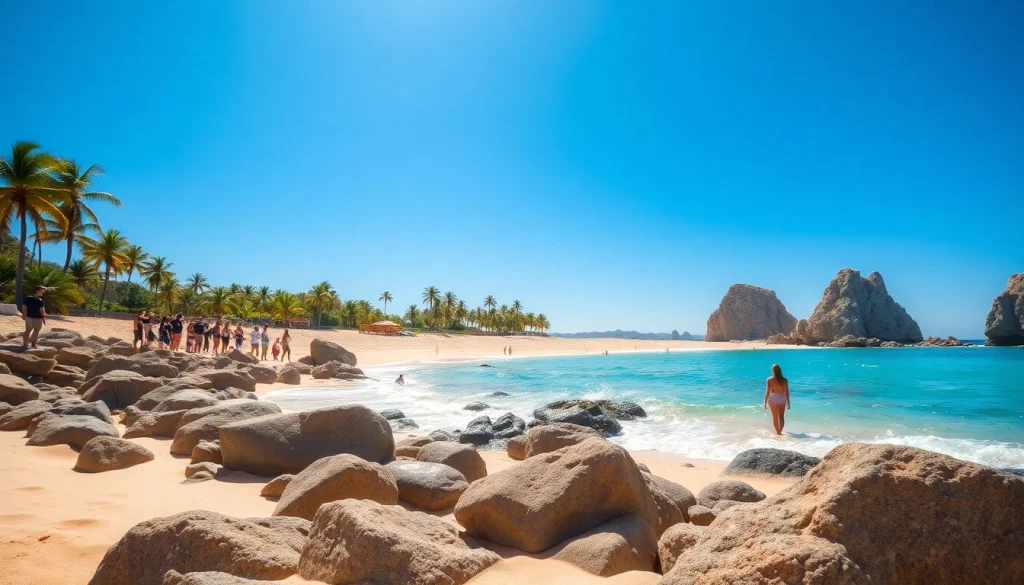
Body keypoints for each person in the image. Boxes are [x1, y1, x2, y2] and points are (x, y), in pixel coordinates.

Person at [763, 364, 791, 435]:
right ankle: (780, 432)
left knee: (775, 417)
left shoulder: (769, 379)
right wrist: (788, 403)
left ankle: (778, 432)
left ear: (772, 371)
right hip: (782, 397)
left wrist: (765, 402)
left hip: (773, 398)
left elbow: (768, 391)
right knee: (781, 417)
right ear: (780, 371)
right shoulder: (785, 380)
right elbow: (787, 392)